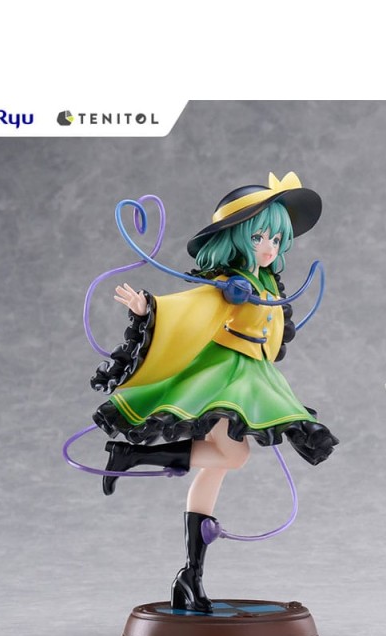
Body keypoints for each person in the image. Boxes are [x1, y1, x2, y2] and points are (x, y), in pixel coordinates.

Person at [91, 172, 338, 613]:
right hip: (229, 375)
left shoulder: (266, 283)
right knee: (233, 455)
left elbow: (271, 332)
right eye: (258, 237)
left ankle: (190, 574)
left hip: (254, 373)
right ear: (236, 239)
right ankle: (131, 458)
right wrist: (148, 307)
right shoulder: (231, 284)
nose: (268, 247)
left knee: (222, 464)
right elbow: (195, 306)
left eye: (275, 239)